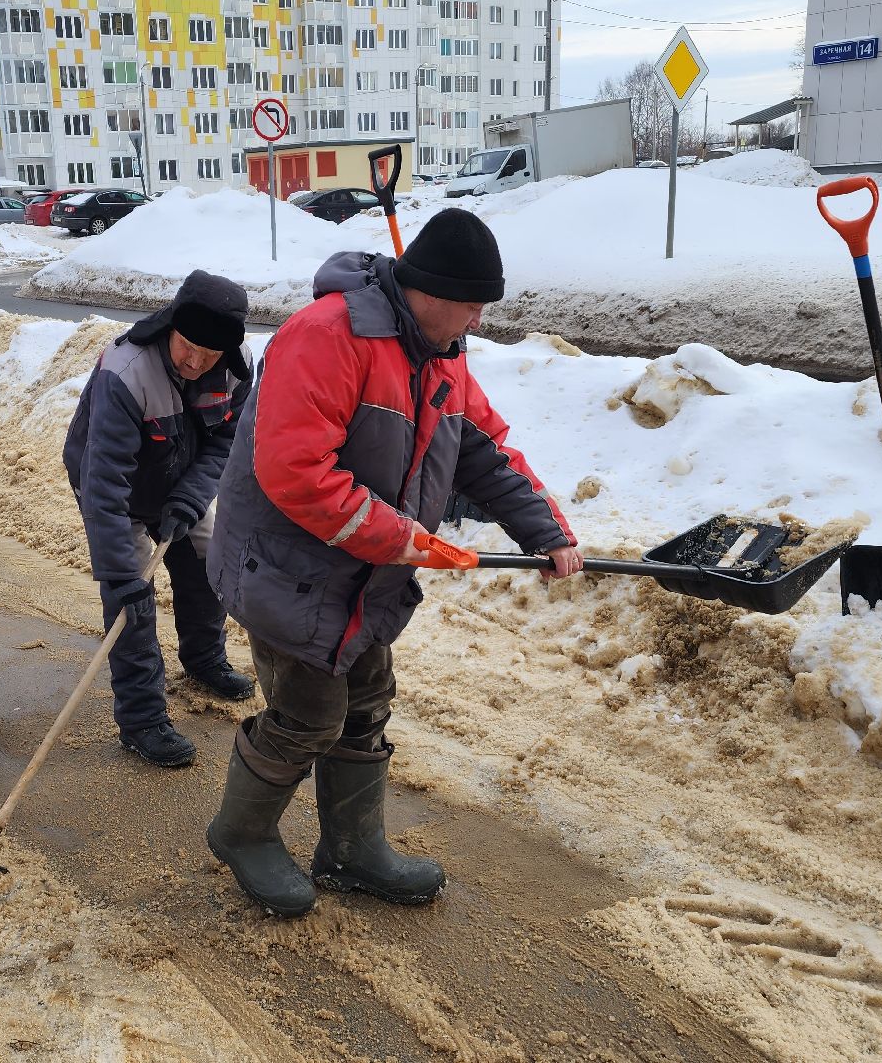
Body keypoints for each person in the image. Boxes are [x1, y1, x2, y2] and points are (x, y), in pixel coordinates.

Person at [204, 209, 585, 917]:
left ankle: (351, 849)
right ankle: (241, 833)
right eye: (472, 305)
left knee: (367, 700)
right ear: (431, 293)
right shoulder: (326, 336)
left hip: (364, 574)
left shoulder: (441, 352)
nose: (478, 321)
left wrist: (546, 531)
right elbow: (295, 471)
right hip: (289, 570)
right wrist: (401, 539)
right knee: (309, 714)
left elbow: (483, 450)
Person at [63, 271, 257, 768]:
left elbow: (227, 443)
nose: (195, 362)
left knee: (207, 562)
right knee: (131, 599)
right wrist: (119, 574)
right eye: (188, 346)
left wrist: (189, 498)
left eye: (209, 354)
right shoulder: (126, 372)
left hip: (179, 479)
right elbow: (105, 481)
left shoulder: (238, 369)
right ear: (171, 325)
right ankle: (142, 718)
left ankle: (204, 659)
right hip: (113, 487)